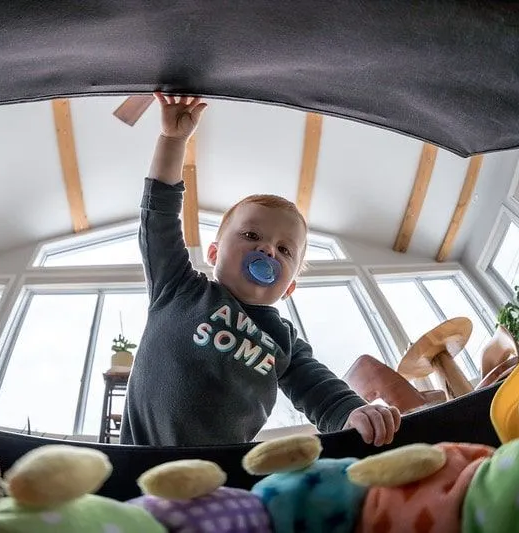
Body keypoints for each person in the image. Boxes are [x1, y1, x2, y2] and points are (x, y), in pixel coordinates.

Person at [120, 93, 401, 447]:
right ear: (212, 252)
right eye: (252, 235)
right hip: (139, 460)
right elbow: (158, 217)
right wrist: (174, 141)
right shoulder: (179, 287)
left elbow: (320, 390)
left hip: (220, 477)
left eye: (284, 249)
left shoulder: (283, 340)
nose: (268, 249)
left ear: (289, 288)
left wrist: (353, 412)